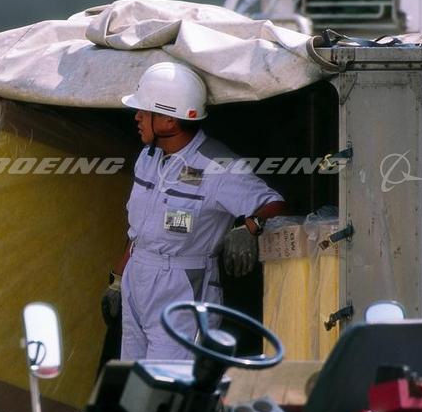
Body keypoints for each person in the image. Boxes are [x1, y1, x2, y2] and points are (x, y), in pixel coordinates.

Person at [102, 62, 286, 360]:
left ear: (169, 119)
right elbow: (139, 232)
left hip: (183, 286)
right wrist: (118, 279)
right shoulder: (148, 157)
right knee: (131, 375)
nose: (136, 117)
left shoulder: (219, 166)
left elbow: (275, 204)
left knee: (167, 380)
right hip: (138, 276)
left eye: (144, 111)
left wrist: (250, 227)